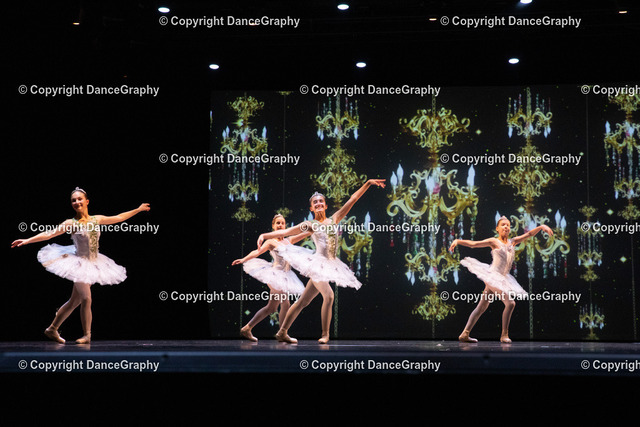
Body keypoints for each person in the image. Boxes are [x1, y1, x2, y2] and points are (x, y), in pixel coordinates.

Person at [11, 187, 150, 344]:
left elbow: (119, 217)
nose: (77, 202)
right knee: (86, 298)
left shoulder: (96, 219)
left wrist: (138, 209)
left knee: (74, 301)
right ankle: (87, 335)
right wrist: (27, 240)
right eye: (73, 200)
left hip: (94, 263)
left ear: (87, 201)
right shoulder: (71, 223)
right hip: (79, 263)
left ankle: (52, 329)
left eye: (79, 199)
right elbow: (49, 234)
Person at [257, 179, 386, 344]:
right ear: (311, 208)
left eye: (320, 202)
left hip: (331, 263)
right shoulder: (310, 225)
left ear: (325, 206)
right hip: (317, 264)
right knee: (329, 296)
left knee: (303, 302)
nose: (318, 204)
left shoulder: (334, 219)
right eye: (315, 202)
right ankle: (325, 334)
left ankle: (282, 332)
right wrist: (265, 235)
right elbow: (287, 231)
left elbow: (353, 199)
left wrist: (368, 183)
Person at [449, 216, 553, 343]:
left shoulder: (512, 242)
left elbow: (529, 234)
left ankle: (465, 334)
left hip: (503, 278)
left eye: (508, 225)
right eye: (503, 225)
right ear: (497, 228)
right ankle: (504, 334)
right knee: (510, 303)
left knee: (482, 307)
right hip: (493, 276)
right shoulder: (494, 241)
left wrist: (541, 227)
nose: (506, 227)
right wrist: (458, 241)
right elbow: (474, 244)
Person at [231, 213, 310, 342]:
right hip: (275, 275)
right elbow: (257, 252)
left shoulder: (289, 241)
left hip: (287, 275)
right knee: (286, 303)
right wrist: (243, 259)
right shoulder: (271, 241)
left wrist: (316, 228)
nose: (280, 225)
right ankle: (282, 333)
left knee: (271, 308)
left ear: (285, 226)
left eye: (282, 223)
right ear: (273, 226)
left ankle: (247, 328)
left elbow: (305, 234)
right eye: (278, 223)